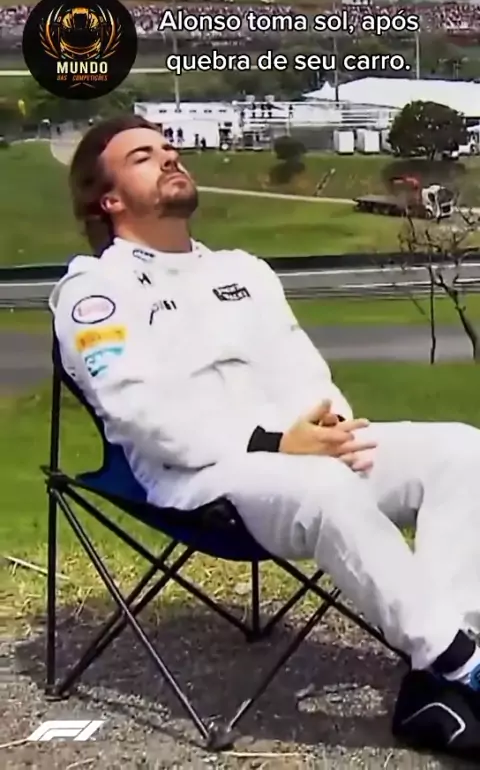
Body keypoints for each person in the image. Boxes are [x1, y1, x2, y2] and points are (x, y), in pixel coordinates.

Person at [50, 114, 480, 760]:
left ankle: (441, 671)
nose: (169, 157)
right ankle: (463, 665)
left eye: (169, 147)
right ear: (107, 199)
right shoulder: (93, 291)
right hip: (202, 478)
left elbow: (301, 368)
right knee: (324, 487)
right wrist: (273, 443)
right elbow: (140, 413)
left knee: (462, 450)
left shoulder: (244, 270)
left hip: (304, 454)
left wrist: (327, 425)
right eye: (142, 156)